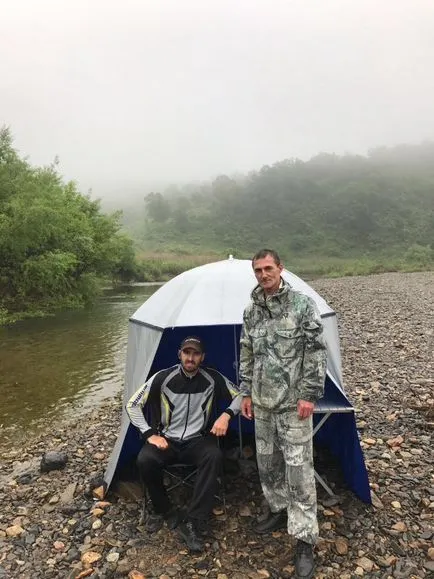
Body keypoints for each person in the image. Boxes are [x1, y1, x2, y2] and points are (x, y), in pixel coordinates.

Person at [239, 249, 327, 579]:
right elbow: (246, 351)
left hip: (293, 405)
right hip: (261, 403)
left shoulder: (302, 305)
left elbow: (317, 351)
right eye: (258, 270)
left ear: (280, 268)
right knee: (268, 462)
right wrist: (245, 392)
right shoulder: (251, 310)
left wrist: (309, 395)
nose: (263, 274)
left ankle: (304, 539)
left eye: (268, 268)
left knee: (299, 471)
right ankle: (277, 509)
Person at [126, 336, 241, 552]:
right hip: (166, 441)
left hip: (197, 440)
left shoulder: (212, 378)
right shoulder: (162, 378)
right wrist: (150, 434)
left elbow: (241, 394)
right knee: (145, 460)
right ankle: (166, 510)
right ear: (179, 354)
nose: (191, 358)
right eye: (187, 353)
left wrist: (226, 415)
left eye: (196, 353)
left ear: (202, 357)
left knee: (214, 456)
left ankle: (194, 520)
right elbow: (132, 404)